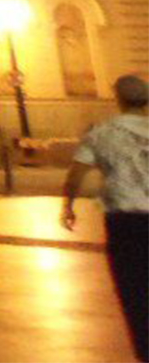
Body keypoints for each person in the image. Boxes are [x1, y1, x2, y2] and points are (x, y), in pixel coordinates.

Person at [61, 73, 148, 362]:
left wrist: (68, 204)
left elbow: (76, 174)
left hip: (126, 225)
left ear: (117, 99)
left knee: (135, 294)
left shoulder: (101, 133)